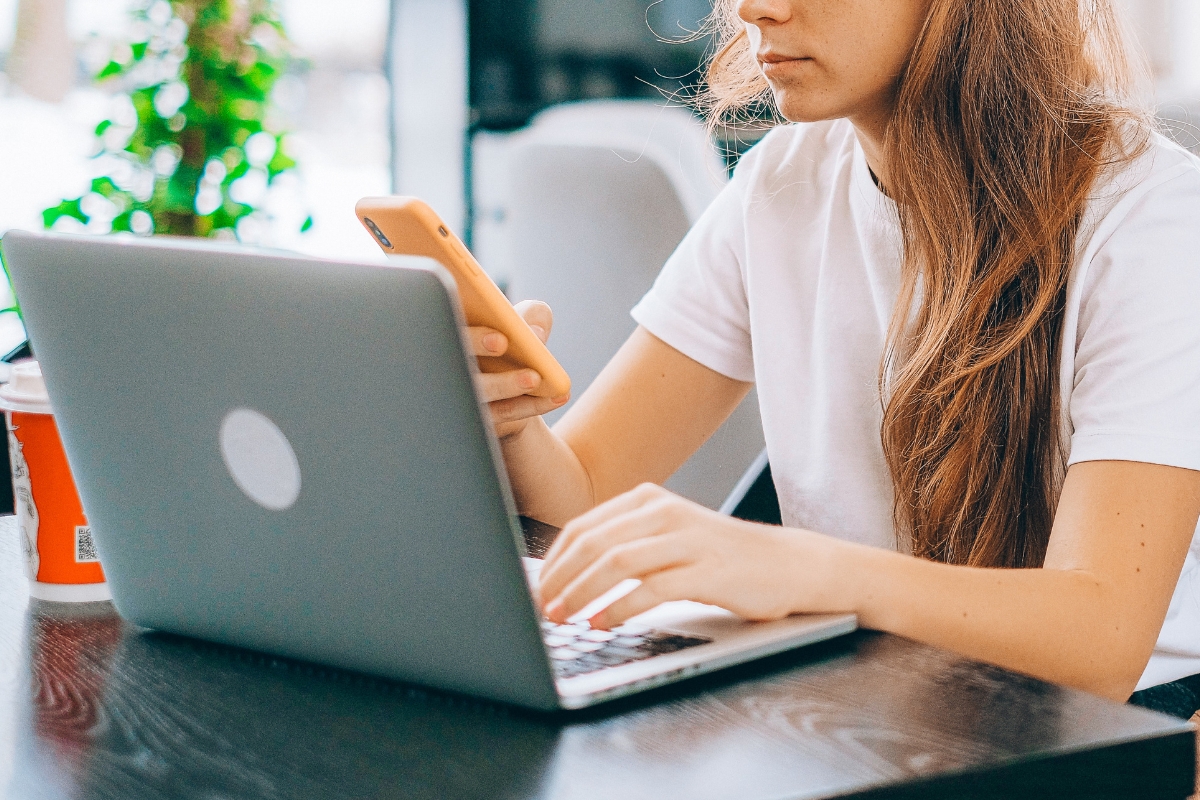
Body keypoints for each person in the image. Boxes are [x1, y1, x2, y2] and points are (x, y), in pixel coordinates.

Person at [471, 0, 1200, 717]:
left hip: (1123, 724)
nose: (754, 9)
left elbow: (1099, 642)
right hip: (879, 693)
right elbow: (587, 489)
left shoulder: (1151, 217)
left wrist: (800, 569)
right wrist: (510, 423)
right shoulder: (781, 181)